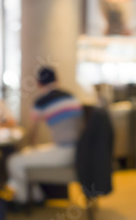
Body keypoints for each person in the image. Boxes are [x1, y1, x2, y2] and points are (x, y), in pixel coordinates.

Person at [7, 67, 83, 204]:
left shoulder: (41, 102)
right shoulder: (72, 96)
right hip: (80, 152)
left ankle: (24, 199)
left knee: (14, 161)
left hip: (63, 152)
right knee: (28, 155)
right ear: (57, 79)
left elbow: (32, 133)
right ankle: (37, 195)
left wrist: (31, 148)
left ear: (38, 83)